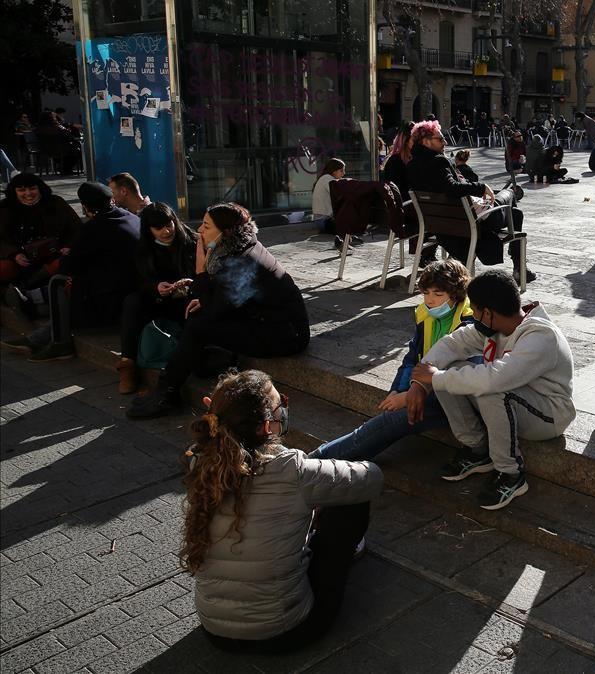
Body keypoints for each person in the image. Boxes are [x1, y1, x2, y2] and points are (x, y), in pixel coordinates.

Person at [182, 369, 383, 650]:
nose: (284, 411)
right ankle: (348, 551)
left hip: (214, 630)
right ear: (266, 426)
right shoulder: (291, 470)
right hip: (287, 631)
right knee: (350, 501)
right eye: (281, 406)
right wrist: (318, 484)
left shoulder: (201, 462)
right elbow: (370, 478)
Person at [407, 270, 575, 510]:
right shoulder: (497, 326)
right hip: (515, 403)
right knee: (448, 370)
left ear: (488, 312)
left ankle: (511, 474)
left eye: (474, 310)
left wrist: (438, 379)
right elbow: (452, 343)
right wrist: (421, 383)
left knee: (488, 388)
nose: (472, 316)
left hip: (549, 416)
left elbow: (495, 379)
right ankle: (477, 451)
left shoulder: (541, 336)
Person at [127, 203, 311, 419]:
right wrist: (204, 297)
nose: (200, 231)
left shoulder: (243, 260)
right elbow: (224, 297)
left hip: (285, 334)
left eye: (206, 226)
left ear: (225, 231)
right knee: (196, 316)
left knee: (198, 325)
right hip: (263, 318)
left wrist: (199, 270)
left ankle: (166, 391)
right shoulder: (235, 248)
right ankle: (176, 382)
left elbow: (217, 310)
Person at [313, 260, 475, 463]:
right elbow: (411, 358)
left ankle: (318, 459)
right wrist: (398, 389)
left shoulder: (469, 323)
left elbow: (459, 376)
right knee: (387, 420)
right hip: (424, 387)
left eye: (438, 294)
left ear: (456, 295)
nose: (430, 300)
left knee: (389, 422)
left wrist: (409, 397)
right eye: (426, 293)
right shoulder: (425, 315)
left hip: (452, 396)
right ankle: (324, 461)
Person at [3, 182, 140, 362]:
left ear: (85, 206)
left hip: (112, 299)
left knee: (60, 281)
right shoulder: (131, 218)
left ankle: (59, 342)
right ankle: (33, 331)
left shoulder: (94, 228)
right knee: (70, 287)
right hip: (129, 288)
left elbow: (68, 266)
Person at [405, 120, 534, 283]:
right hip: (470, 223)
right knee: (510, 195)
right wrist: (480, 187)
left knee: (514, 213)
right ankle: (519, 268)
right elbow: (451, 187)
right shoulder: (438, 161)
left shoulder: (412, 164)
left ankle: (519, 267)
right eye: (440, 139)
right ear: (425, 141)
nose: (445, 142)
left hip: (443, 224)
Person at [117, 203, 197, 394]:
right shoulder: (142, 248)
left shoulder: (192, 241)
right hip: (158, 301)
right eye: (158, 228)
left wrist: (189, 285)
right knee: (132, 301)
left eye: (169, 225)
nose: (166, 231)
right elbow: (138, 281)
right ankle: (127, 364)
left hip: (186, 300)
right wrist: (156, 287)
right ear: (149, 230)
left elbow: (203, 274)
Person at [0, 172, 80, 289]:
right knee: (3, 269)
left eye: (32, 189)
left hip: (54, 254)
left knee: (65, 263)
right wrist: (14, 254)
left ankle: (28, 286)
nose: (28, 193)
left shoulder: (56, 203)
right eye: (21, 190)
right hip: (19, 257)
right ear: (14, 192)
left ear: (40, 189)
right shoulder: (4, 208)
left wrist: (68, 246)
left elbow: (76, 228)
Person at [311, 158, 345, 237]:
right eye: (341, 171)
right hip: (325, 221)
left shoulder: (325, 178)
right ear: (334, 171)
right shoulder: (328, 179)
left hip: (321, 221)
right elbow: (340, 195)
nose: (344, 173)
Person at [382, 121, 414, 193]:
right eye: (415, 139)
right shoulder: (395, 161)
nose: (419, 142)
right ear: (406, 140)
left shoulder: (415, 158)